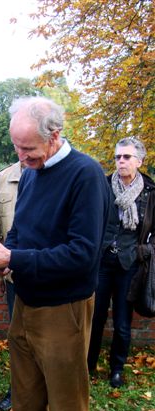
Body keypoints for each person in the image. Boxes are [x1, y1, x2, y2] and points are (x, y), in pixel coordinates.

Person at [0, 96, 110, 411]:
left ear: (54, 136)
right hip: (25, 305)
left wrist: (11, 260)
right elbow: (21, 232)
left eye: (27, 148)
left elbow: (82, 255)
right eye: (16, 146)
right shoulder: (31, 171)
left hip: (64, 310)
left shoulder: (86, 175)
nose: (20, 156)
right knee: (27, 408)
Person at [87, 137, 155, 388]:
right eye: (118, 157)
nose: (121, 161)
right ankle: (88, 364)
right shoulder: (103, 185)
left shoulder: (150, 192)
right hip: (102, 261)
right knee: (94, 317)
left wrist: (145, 250)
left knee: (123, 322)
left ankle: (117, 369)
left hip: (130, 264)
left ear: (139, 160)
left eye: (126, 157)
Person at [0, 159, 24, 411]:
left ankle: (49, 397)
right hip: (14, 277)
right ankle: (18, 391)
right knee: (18, 338)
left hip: (50, 277)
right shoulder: (1, 180)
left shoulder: (64, 175)